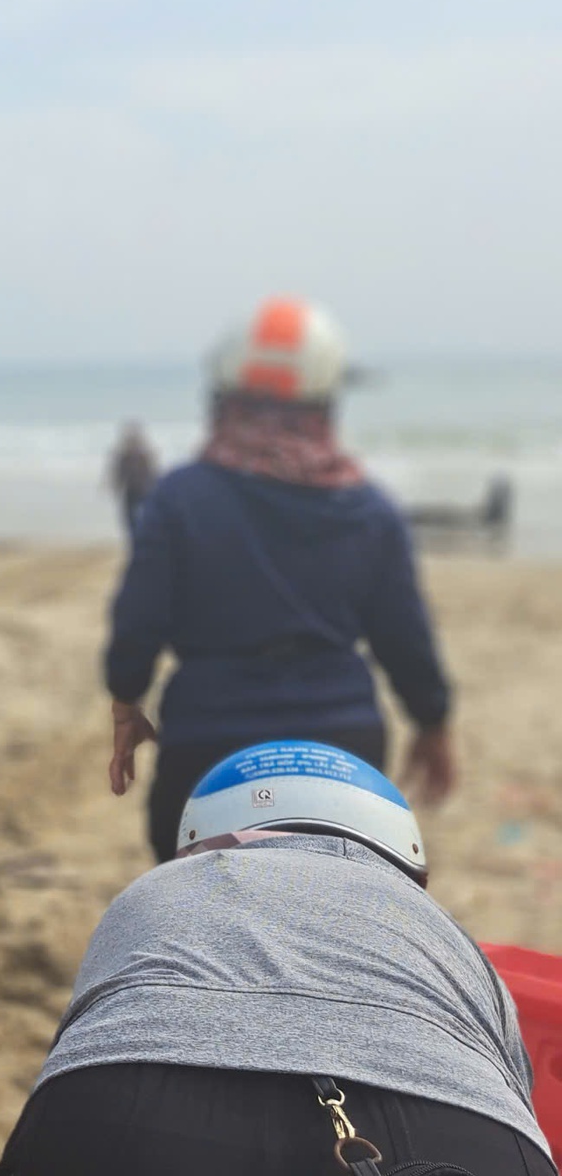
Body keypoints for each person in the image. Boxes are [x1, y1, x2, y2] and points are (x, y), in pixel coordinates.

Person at [0, 741, 555, 1176]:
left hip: (122, 1103)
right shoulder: (442, 930)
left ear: (200, 842)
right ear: (402, 859)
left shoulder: (151, 892)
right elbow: (517, 1086)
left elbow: (89, 1027)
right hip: (452, 1125)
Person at [103, 297, 454, 862]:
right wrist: (432, 723)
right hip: (344, 746)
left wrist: (126, 703)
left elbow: (136, 625)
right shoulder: (371, 511)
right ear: (327, 402)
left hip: (205, 742)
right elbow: (404, 637)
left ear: (224, 398)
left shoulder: (178, 499)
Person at [105, 420, 156, 537]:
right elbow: (118, 473)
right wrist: (114, 485)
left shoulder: (144, 455)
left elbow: (151, 473)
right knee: (129, 521)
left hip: (143, 491)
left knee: (143, 519)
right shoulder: (123, 456)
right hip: (130, 492)